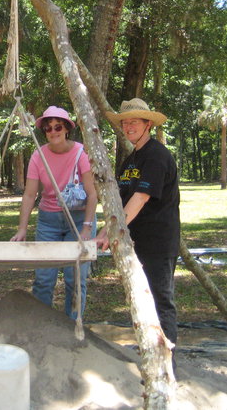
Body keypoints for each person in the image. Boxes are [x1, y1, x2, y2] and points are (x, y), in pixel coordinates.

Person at [96, 98, 180, 358]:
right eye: (125, 122)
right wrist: (104, 230)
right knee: (140, 299)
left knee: (160, 300)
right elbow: (120, 200)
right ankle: (149, 351)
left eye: (135, 121)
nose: (129, 126)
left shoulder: (156, 156)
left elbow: (141, 198)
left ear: (148, 124)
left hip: (158, 241)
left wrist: (113, 231)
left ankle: (166, 363)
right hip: (136, 242)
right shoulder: (132, 160)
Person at [11, 106, 98, 319]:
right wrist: (22, 229)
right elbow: (30, 195)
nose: (53, 131)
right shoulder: (38, 156)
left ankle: (72, 329)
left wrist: (87, 227)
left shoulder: (80, 153)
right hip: (48, 221)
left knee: (75, 278)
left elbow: (92, 194)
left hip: (78, 219)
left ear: (67, 128)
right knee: (43, 279)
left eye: (58, 126)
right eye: (48, 128)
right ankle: (41, 327)